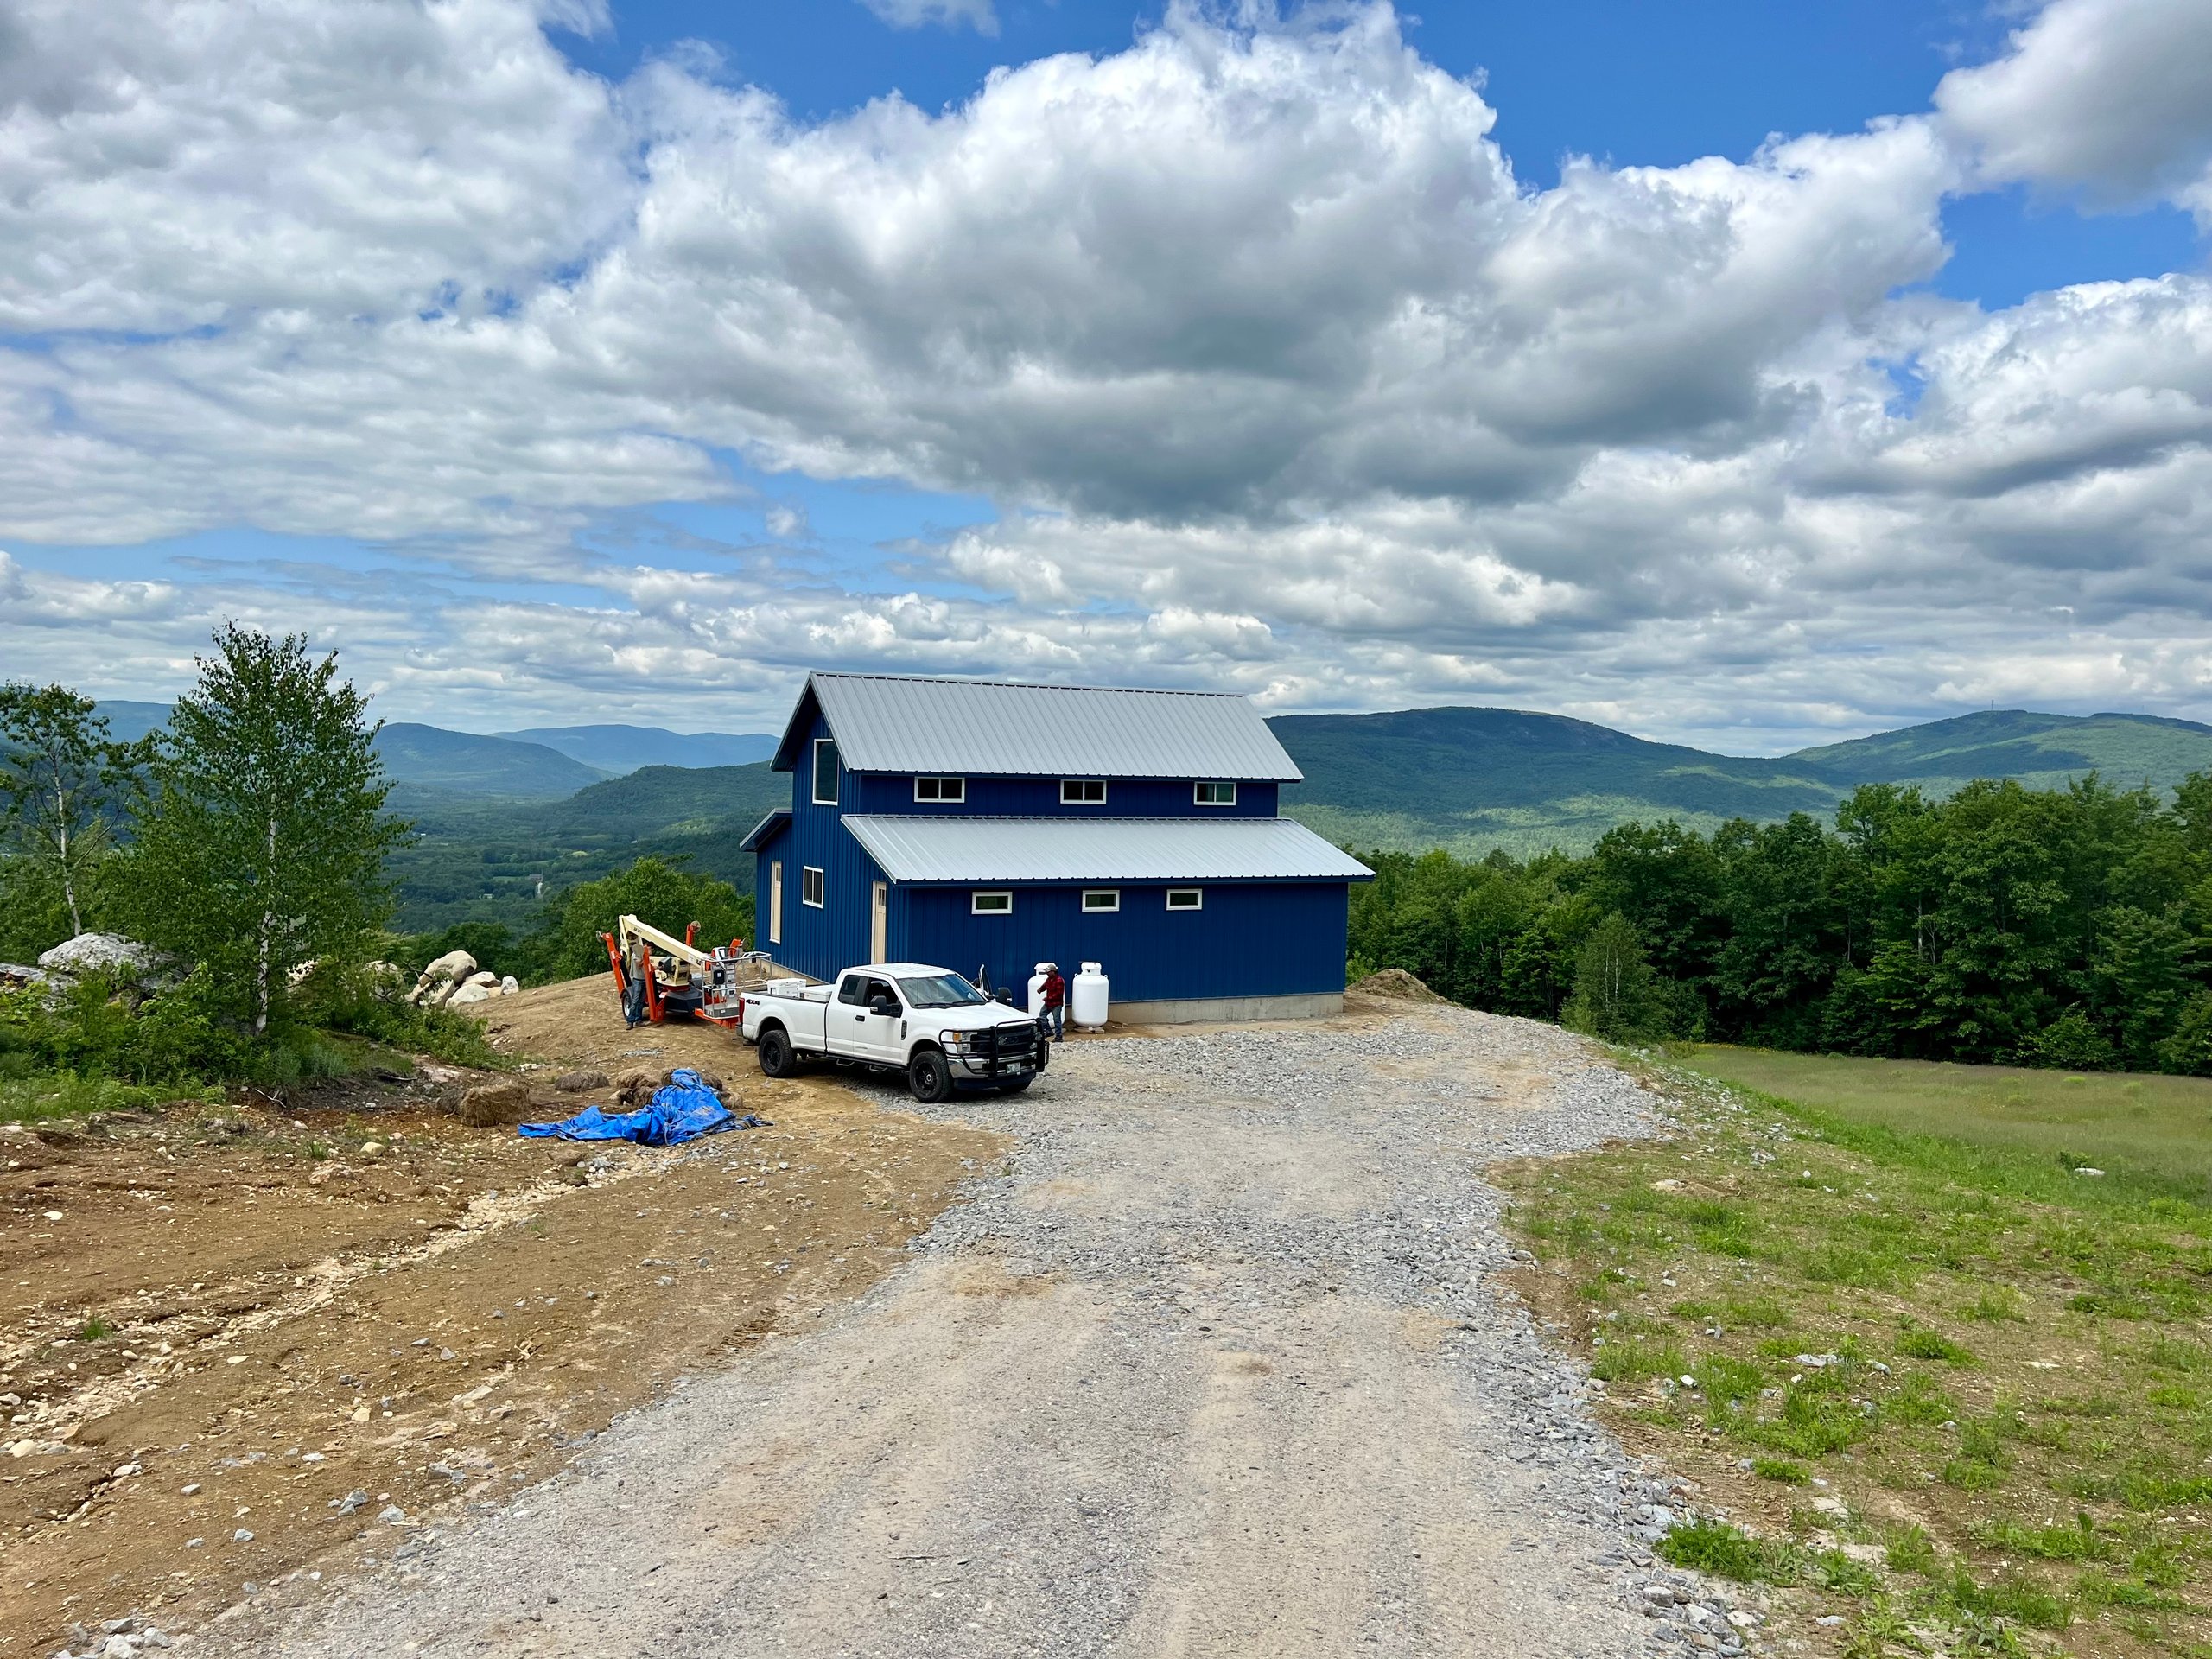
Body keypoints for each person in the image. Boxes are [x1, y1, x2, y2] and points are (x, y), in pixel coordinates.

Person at [1040, 962, 1065, 1042]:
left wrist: (1048, 998)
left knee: (1056, 1020)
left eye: (1048, 972)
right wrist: (1040, 990)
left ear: (1053, 972)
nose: (1047, 973)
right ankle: (1048, 1031)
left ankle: (1059, 1037)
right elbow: (1045, 985)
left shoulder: (1059, 981)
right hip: (1049, 1003)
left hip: (1056, 1004)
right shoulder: (1049, 979)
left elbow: (1059, 994)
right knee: (1042, 1015)